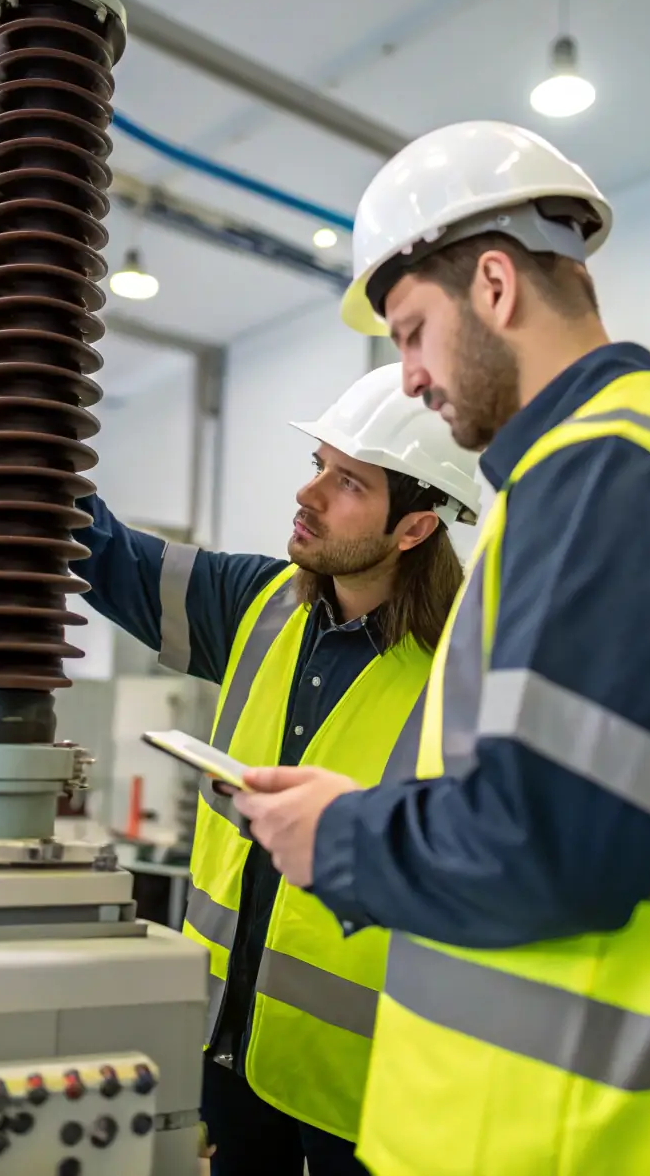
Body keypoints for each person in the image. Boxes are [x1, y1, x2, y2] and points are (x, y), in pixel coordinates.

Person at [233, 120, 650, 1176]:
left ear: (493, 286)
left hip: (589, 1139)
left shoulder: (618, 478)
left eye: (410, 332)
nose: (406, 378)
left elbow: (555, 846)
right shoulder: (574, 487)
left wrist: (343, 837)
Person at [74, 363, 481, 1176]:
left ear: (414, 527)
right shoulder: (256, 604)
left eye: (349, 483)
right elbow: (105, 554)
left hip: (360, 1086)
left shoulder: (467, 676)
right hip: (224, 1050)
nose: (311, 494)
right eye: (317, 466)